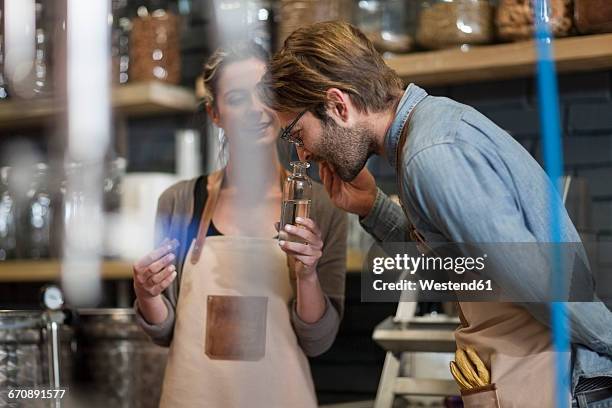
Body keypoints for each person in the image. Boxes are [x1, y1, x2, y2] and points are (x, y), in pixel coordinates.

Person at [258, 21, 612, 407]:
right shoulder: (428, 132)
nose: (302, 153)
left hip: (555, 385)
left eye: (295, 133)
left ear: (338, 106)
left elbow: (541, 282)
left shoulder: (431, 156)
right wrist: (371, 207)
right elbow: (464, 271)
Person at [131, 42, 347, 408]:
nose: (255, 109)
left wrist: (307, 274)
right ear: (215, 113)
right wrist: (147, 294)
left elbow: (318, 341)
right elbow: (165, 332)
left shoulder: (321, 205)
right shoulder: (180, 202)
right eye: (236, 98)